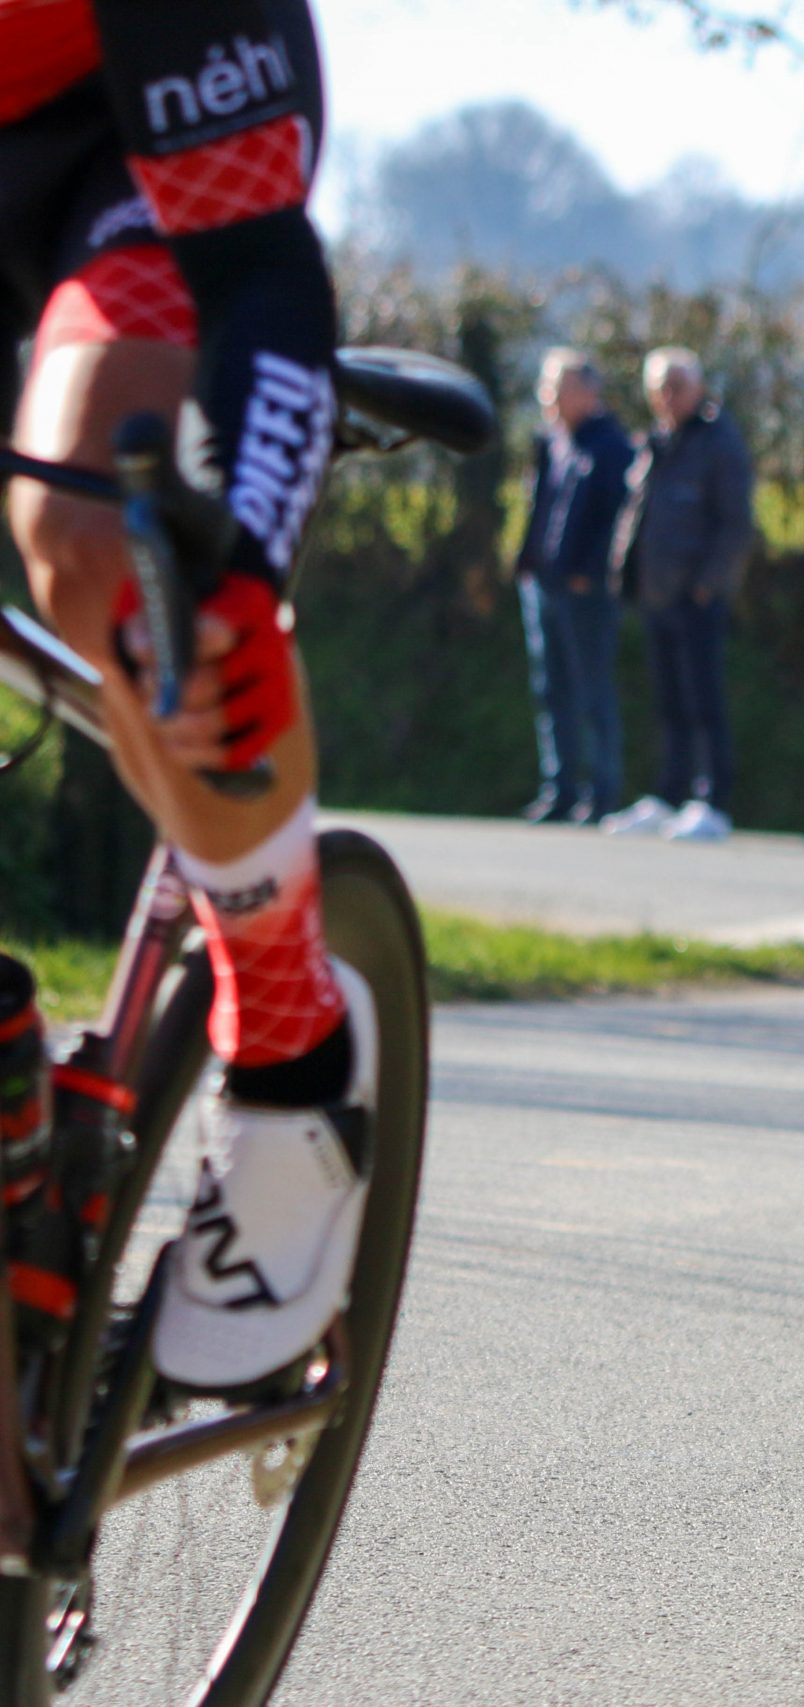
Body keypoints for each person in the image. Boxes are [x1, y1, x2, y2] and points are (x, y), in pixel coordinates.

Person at [1, 0, 372, 1389]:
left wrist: (241, 570)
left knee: (105, 548)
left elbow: (259, 273)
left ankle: (290, 1052)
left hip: (119, 151)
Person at [603, 347, 755, 842]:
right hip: (657, 594)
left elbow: (736, 524)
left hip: (696, 598)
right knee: (668, 700)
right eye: (660, 388)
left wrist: (707, 585)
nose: (668, 396)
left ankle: (712, 800)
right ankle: (669, 794)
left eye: (677, 386)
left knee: (703, 700)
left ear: (697, 388)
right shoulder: (655, 443)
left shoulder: (719, 442)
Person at [515, 347, 634, 826]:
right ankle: (560, 789)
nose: (548, 398)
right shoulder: (551, 442)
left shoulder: (611, 446)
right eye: (546, 388)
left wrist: (591, 571)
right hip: (543, 584)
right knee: (551, 689)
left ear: (587, 392)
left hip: (585, 590)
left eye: (557, 388)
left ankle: (602, 792)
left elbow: (617, 520)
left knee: (591, 689)